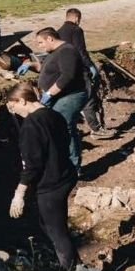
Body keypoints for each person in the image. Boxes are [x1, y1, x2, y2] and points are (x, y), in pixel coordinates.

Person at [6, 82, 78, 271]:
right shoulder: (54, 115)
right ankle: (74, 264)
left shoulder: (31, 126)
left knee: (56, 230)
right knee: (50, 223)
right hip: (65, 174)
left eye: (14, 107)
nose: (14, 112)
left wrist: (19, 194)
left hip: (50, 183)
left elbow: (32, 164)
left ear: (22, 100)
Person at [32, 27, 89, 177]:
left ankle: (73, 168)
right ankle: (62, 164)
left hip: (71, 96)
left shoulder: (67, 51)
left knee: (65, 127)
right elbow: (46, 69)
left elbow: (67, 76)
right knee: (59, 128)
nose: (39, 46)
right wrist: (29, 65)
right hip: (59, 97)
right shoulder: (55, 52)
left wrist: (49, 93)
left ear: (50, 39)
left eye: (40, 42)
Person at [58, 8, 112, 138]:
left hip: (65, 71)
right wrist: (90, 66)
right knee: (88, 99)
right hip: (79, 70)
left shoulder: (58, 32)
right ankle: (96, 129)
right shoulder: (76, 30)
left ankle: (70, 129)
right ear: (77, 18)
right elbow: (81, 51)